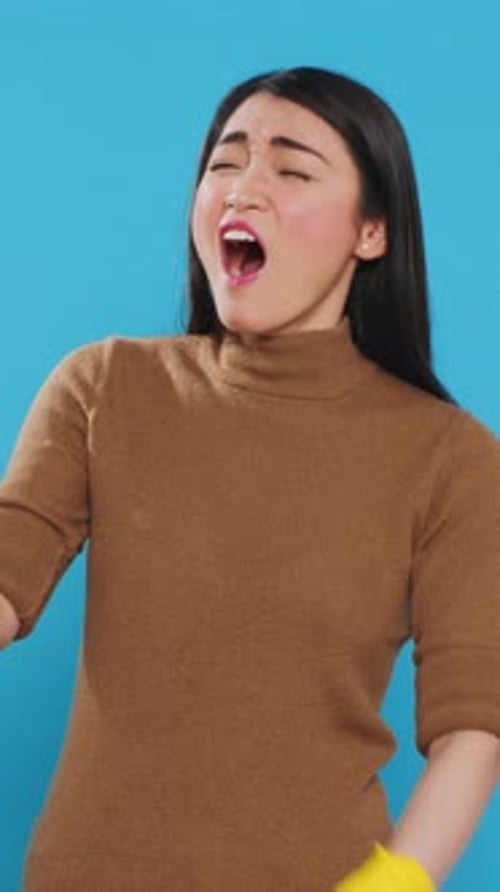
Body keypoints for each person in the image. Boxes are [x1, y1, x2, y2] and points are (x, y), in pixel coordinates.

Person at [1, 65, 499, 892]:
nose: (244, 188)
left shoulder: (451, 458)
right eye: (226, 162)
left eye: (293, 169)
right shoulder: (108, 387)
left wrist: (393, 886)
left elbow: (474, 727)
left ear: (370, 232)